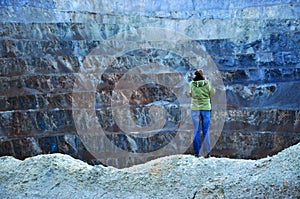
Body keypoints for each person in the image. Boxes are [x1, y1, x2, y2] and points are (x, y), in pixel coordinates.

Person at [187, 69, 215, 158]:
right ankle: (207, 152)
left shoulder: (191, 84)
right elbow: (212, 92)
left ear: (195, 75)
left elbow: (188, 94)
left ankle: (197, 153)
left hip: (195, 108)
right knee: (206, 131)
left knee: (196, 130)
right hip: (206, 108)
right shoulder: (207, 83)